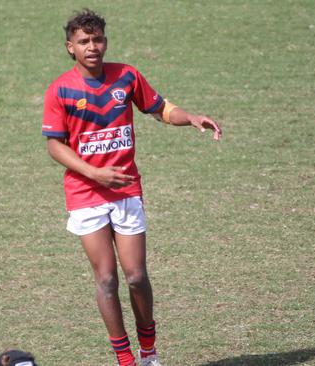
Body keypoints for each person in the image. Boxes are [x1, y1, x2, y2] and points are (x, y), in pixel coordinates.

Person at [42, 9, 222, 366]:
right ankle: (125, 360)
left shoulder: (126, 76)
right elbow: (54, 145)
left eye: (97, 39)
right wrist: (95, 174)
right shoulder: (60, 89)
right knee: (107, 279)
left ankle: (149, 352)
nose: (92, 47)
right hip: (86, 195)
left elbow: (159, 108)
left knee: (137, 276)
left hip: (125, 190)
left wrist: (190, 118)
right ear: (70, 47)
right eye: (83, 41)